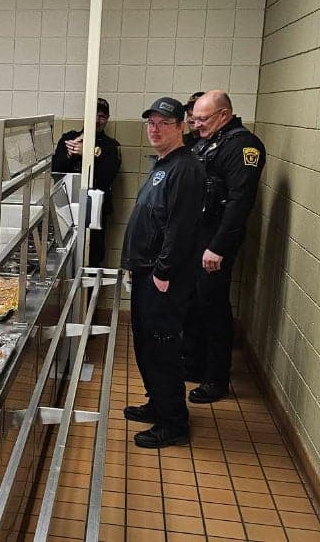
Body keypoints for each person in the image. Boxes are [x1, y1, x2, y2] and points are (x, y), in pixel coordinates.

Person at [121, 97, 204, 449]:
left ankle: (173, 423)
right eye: (150, 123)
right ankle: (159, 402)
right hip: (148, 272)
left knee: (162, 347)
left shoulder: (185, 168)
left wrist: (163, 269)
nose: (155, 129)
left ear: (180, 126)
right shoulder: (165, 164)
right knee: (146, 343)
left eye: (163, 123)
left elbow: (181, 227)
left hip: (162, 277)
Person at [183, 90, 267, 404]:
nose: (196, 124)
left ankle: (217, 379)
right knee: (194, 301)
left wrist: (218, 247)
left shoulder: (243, 146)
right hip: (198, 234)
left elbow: (239, 202)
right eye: (194, 118)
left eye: (202, 119)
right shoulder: (210, 140)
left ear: (224, 114)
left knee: (213, 307)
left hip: (215, 239)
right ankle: (194, 364)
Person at [51, 97, 122, 267]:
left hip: (95, 214)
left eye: (102, 116)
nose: (97, 120)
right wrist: (71, 155)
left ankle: (88, 294)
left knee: (92, 259)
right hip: (65, 210)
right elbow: (55, 170)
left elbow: (108, 176)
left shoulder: (111, 146)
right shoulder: (69, 138)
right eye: (94, 114)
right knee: (62, 259)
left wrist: (90, 154)